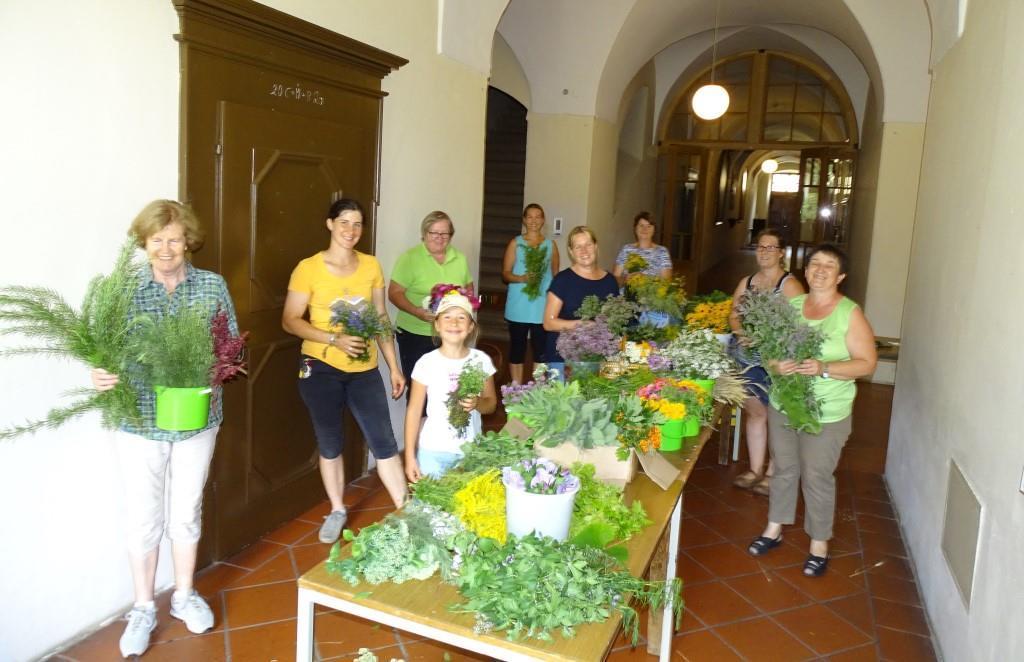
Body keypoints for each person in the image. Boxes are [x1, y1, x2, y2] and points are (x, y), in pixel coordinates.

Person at [90, 200, 238, 657]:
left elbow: (230, 343)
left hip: (196, 418)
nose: (167, 248)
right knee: (144, 516)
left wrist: (219, 365)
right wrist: (100, 371)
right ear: (145, 242)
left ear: (188, 241)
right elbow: (102, 348)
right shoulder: (122, 289)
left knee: (186, 511)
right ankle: (142, 608)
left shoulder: (211, 285)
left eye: (175, 239)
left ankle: (184, 594)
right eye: (157, 240)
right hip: (138, 419)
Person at [282, 199, 409, 546]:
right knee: (330, 442)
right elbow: (290, 320)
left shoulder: (371, 265)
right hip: (320, 367)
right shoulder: (308, 268)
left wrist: (393, 367)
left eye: (357, 224)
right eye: (344, 222)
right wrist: (333, 339)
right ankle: (337, 509)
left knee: (384, 441)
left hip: (364, 369)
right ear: (330, 224)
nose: (351, 231)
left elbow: (380, 317)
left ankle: (406, 509)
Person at [746, 244, 877, 577]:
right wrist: (777, 364)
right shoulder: (791, 306)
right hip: (784, 404)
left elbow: (866, 364)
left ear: (841, 276)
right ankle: (774, 528)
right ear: (805, 271)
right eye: (814, 264)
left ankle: (819, 544)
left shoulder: (849, 314)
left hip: (826, 412)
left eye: (829, 265)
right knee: (784, 467)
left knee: (816, 475)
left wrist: (824, 368)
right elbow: (769, 350)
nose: (820, 270)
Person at [728, 229, 805, 496]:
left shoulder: (790, 285)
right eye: (760, 247)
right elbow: (734, 315)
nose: (764, 252)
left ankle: (772, 473)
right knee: (755, 412)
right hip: (748, 359)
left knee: (775, 414)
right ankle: (754, 469)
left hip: (777, 359)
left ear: (781, 253)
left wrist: (768, 338)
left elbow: (799, 325)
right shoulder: (747, 282)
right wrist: (741, 332)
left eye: (770, 247)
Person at [404, 288, 497, 481]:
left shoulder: (481, 360)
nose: (454, 323)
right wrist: (409, 457)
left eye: (461, 318)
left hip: (470, 450)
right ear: (436, 324)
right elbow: (413, 412)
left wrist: (478, 403)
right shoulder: (426, 363)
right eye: (447, 317)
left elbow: (491, 404)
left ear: (471, 327)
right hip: (433, 451)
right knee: (431, 498)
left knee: (465, 498)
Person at [388, 211, 474, 400]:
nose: (439, 238)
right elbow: (394, 293)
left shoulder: (459, 258)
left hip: (450, 334)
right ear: (424, 234)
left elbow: (468, 287)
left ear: (451, 235)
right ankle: (417, 421)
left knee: (448, 389)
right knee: (420, 391)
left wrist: (464, 309)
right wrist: (416, 312)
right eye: (434, 233)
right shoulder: (410, 258)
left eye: (445, 233)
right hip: (415, 334)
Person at [543, 226, 620, 377]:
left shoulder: (610, 281)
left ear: (596, 246)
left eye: (588, 244)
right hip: (563, 357)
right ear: (571, 252)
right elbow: (548, 323)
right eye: (578, 247)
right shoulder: (562, 280)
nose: (584, 251)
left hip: (597, 356)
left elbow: (615, 320)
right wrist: (583, 325)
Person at [502, 203, 560, 384]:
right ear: (524, 220)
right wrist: (522, 278)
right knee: (517, 348)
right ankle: (516, 389)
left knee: (540, 350)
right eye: (530, 217)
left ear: (543, 220)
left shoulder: (551, 245)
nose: (534, 220)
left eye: (538, 217)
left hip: (542, 305)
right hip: (518, 304)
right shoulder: (515, 243)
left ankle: (537, 389)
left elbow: (556, 277)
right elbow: (505, 273)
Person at [611, 211, 673, 285]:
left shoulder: (662, 251)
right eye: (641, 225)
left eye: (649, 226)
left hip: (651, 292)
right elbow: (615, 278)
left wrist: (645, 280)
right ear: (635, 228)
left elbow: (666, 282)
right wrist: (626, 279)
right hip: (627, 292)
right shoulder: (626, 249)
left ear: (654, 230)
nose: (645, 229)